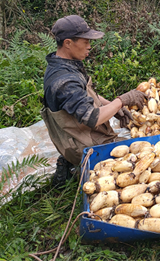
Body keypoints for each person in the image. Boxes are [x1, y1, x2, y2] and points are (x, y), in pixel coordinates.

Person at [41, 15, 146, 188]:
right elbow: (92, 118)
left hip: (75, 135)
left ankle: (69, 161)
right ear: (68, 43)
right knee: (139, 155)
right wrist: (122, 100)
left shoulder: (64, 64)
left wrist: (110, 105)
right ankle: (76, 161)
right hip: (83, 142)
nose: (90, 46)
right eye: (85, 41)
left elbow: (87, 96)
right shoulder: (64, 81)